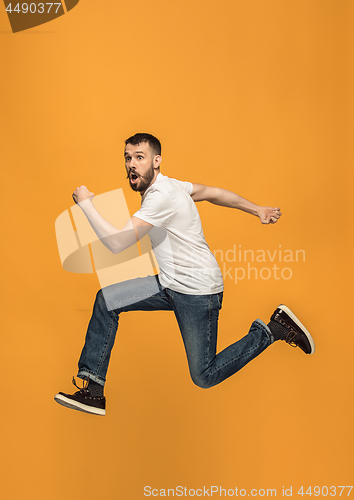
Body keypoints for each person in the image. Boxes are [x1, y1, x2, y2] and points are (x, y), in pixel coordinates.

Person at [54, 133, 315, 416]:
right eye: (128, 158)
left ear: (156, 161)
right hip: (169, 283)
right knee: (107, 299)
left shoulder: (161, 197)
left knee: (204, 375)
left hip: (197, 292)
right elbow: (214, 193)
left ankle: (275, 329)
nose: (132, 164)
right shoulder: (173, 186)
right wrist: (257, 209)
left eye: (139, 158)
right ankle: (93, 391)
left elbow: (117, 244)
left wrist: (85, 204)